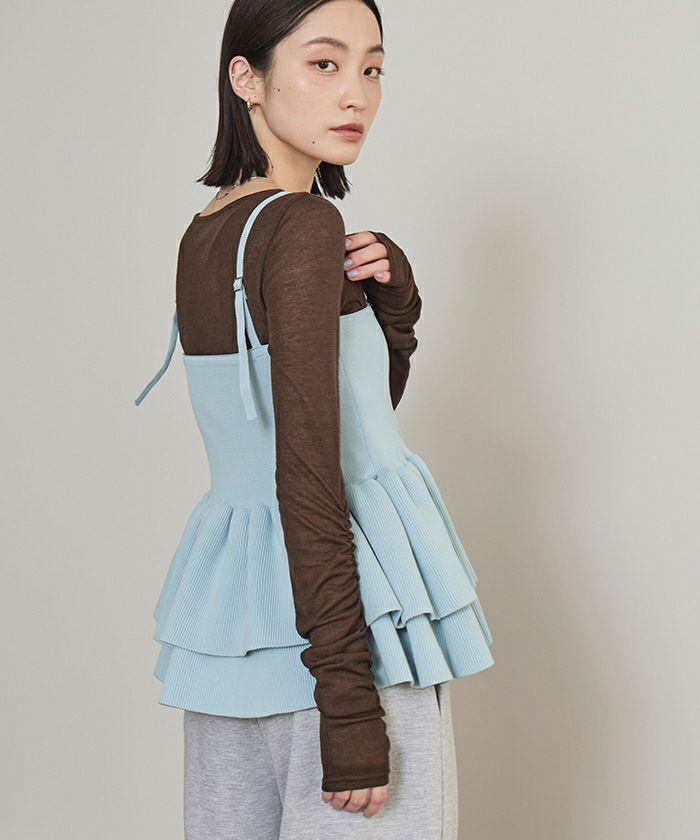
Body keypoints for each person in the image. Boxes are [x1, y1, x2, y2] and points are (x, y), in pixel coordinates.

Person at [134, 1, 495, 837]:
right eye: (324, 63)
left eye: (372, 68)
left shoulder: (207, 232)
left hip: (237, 624)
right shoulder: (303, 224)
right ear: (246, 77)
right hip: (349, 627)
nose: (356, 93)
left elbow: (333, 421)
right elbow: (309, 467)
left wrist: (393, 311)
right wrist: (348, 703)